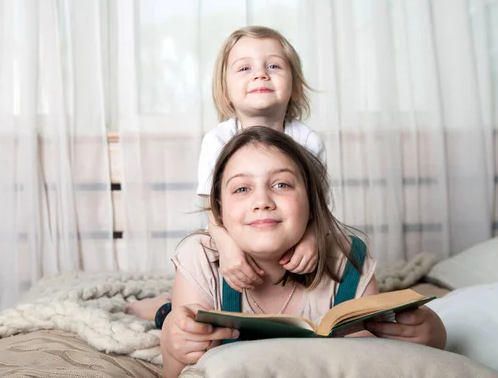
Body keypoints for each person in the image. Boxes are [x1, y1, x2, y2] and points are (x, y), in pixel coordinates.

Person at [160, 126, 447, 378]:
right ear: (219, 211)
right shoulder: (200, 257)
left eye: (281, 184)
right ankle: (160, 308)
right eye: (242, 189)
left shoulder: (347, 260)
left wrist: (434, 335)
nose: (262, 201)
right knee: (167, 317)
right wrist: (174, 345)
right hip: (202, 291)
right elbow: (179, 371)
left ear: (311, 203)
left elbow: (372, 358)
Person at [126, 25, 326, 322]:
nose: (260, 74)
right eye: (244, 68)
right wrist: (229, 248)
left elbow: (318, 208)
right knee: (196, 314)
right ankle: (160, 307)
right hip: (232, 237)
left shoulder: (308, 141)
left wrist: (312, 238)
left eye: (273, 65)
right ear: (226, 91)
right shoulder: (217, 141)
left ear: (295, 86)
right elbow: (213, 211)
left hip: (284, 242)